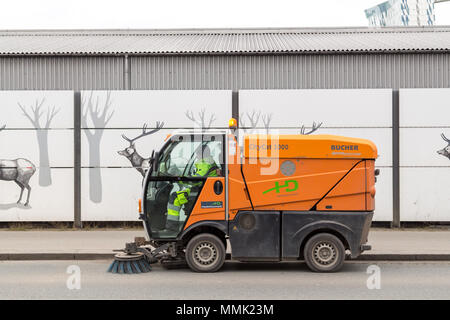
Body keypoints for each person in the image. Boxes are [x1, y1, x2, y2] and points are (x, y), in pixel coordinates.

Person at [165, 144, 219, 231]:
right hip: (203, 190)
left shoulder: (205, 163)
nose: (197, 157)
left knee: (174, 198)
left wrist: (179, 178)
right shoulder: (209, 162)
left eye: (197, 154)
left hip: (200, 192)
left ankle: (171, 228)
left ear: (202, 154)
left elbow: (195, 181)